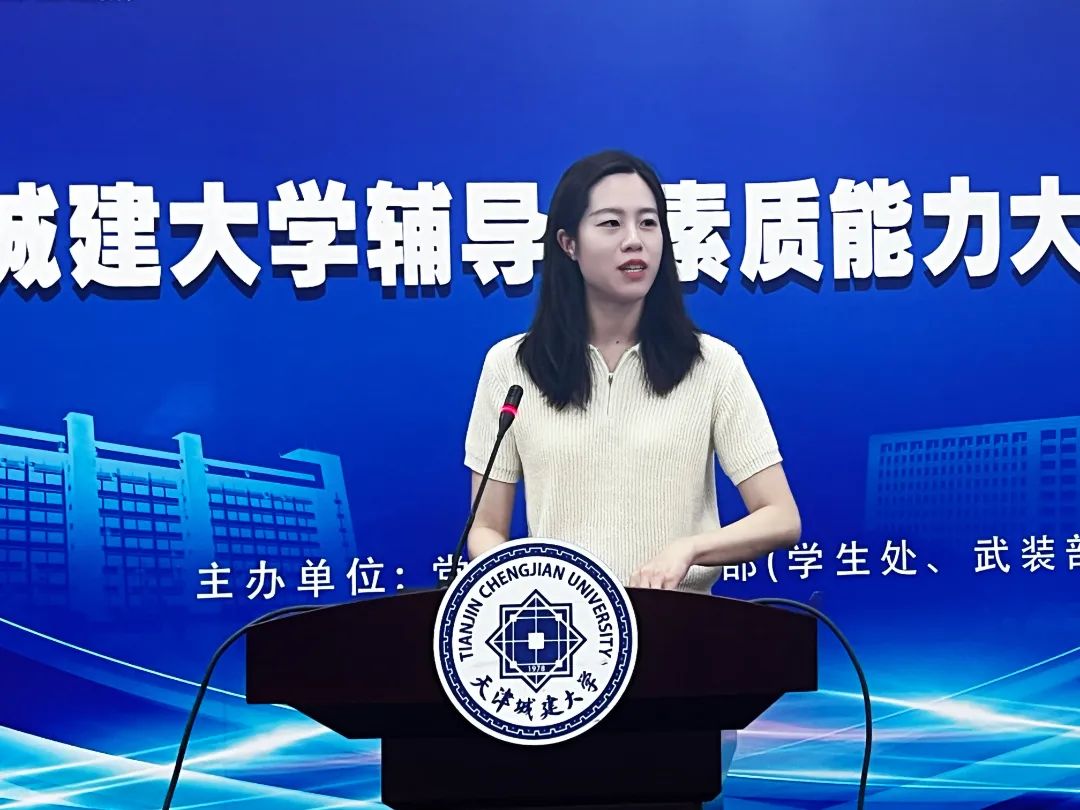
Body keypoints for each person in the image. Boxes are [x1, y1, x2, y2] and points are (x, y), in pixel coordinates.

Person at [463, 149, 800, 592]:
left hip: (681, 620)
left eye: (648, 222)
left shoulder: (714, 365)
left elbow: (780, 517)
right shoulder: (509, 366)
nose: (634, 240)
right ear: (568, 243)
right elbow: (486, 526)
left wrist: (689, 549)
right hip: (562, 623)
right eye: (610, 223)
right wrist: (530, 583)